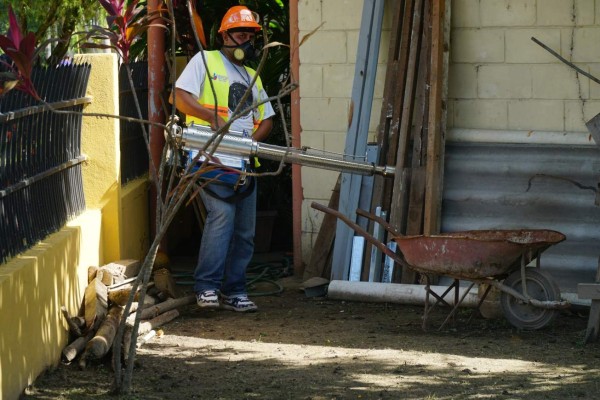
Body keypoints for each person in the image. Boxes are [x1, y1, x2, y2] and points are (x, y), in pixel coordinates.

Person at [172, 5, 274, 312]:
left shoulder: (252, 76)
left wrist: (251, 144)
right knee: (222, 217)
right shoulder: (204, 61)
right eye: (241, 34)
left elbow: (267, 118)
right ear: (225, 37)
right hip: (209, 158)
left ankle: (234, 290)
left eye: (250, 36)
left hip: (244, 165)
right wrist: (209, 117)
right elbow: (178, 96)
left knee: (245, 231)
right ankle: (207, 287)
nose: (246, 41)